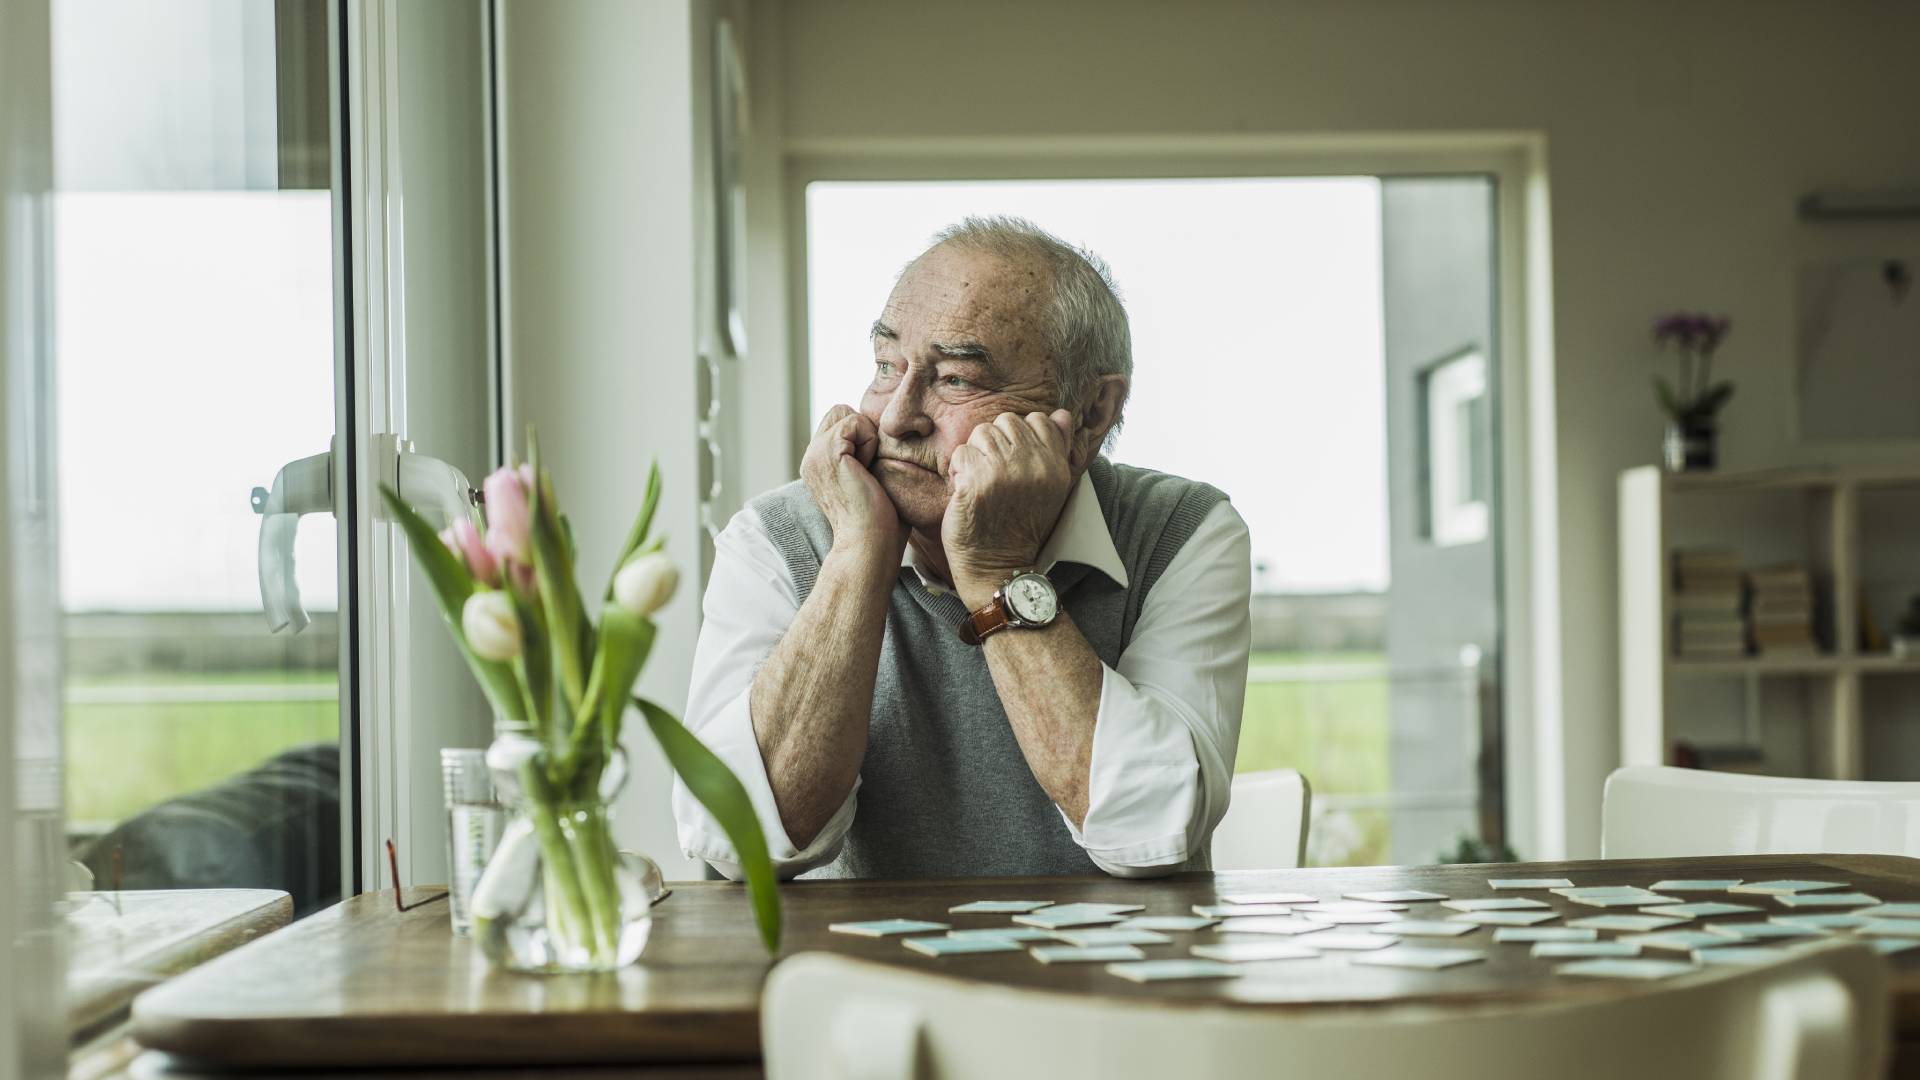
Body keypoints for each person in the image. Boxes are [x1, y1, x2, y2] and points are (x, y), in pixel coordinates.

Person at [672, 216, 1250, 880]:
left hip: (1110, 978)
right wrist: (859, 554)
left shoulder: (1182, 532)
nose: (895, 417)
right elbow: (733, 837)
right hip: (852, 981)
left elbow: (1153, 831)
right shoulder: (774, 538)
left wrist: (1000, 571)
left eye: (955, 379)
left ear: (1090, 413)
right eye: (887, 366)